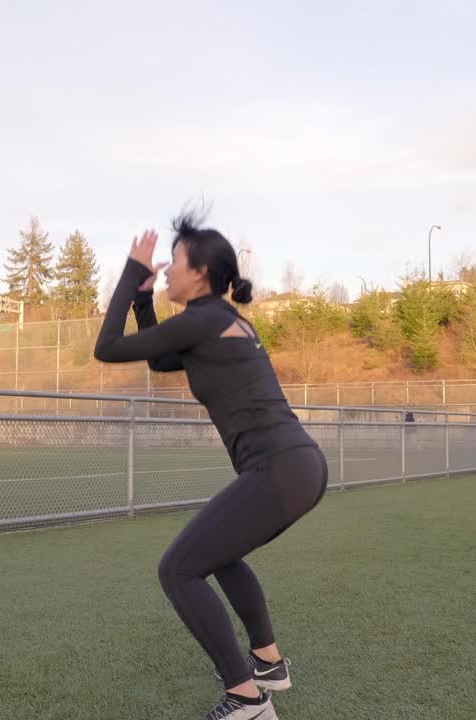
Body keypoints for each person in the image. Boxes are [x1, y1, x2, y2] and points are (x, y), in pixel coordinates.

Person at [94, 210, 327, 720]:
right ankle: (267, 664)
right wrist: (142, 298)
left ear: (200, 272)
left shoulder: (203, 321)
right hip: (295, 466)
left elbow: (106, 348)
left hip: (280, 468)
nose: (167, 268)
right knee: (217, 556)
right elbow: (159, 360)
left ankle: (246, 699)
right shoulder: (221, 322)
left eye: (174, 260)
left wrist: (132, 272)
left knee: (177, 569)